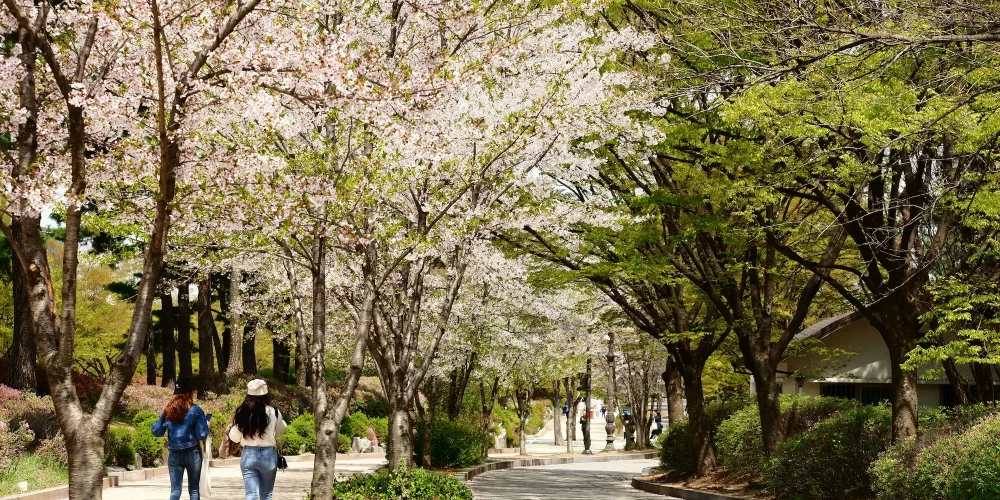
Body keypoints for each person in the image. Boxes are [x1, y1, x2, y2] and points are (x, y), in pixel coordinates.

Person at [152, 377, 210, 500]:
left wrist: (162, 416)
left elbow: (156, 432)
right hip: (192, 453)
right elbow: (202, 435)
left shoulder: (168, 410)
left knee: (175, 491)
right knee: (194, 490)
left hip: (174, 454)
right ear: (189, 393)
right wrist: (206, 424)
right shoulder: (196, 410)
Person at [228, 379, 287, 500]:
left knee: (251, 494)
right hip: (268, 455)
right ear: (266, 395)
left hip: (249, 454)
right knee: (267, 495)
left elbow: (234, 437)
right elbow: (281, 430)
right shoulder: (274, 411)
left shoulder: (242, 412)